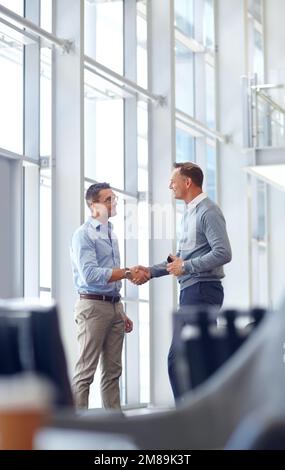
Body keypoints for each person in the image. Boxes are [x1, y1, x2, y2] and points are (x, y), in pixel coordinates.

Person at [136, 162, 232, 400]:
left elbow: (223, 253)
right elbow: (179, 261)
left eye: (173, 180)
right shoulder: (189, 215)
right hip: (192, 291)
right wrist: (149, 271)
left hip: (202, 290)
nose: (170, 184)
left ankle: (188, 416)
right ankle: (204, 414)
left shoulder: (208, 211)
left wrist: (186, 266)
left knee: (178, 358)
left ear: (187, 182)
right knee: (198, 357)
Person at [70, 182, 148, 409]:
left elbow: (110, 280)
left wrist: (120, 311)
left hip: (113, 306)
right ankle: (79, 432)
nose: (114, 203)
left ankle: (113, 425)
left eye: (113, 198)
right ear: (93, 205)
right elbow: (90, 275)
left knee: (113, 373)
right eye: (108, 199)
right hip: (92, 307)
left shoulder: (111, 232)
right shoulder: (83, 235)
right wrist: (126, 273)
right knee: (85, 373)